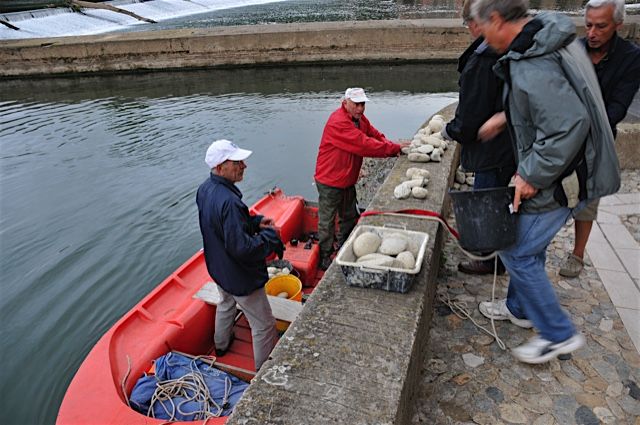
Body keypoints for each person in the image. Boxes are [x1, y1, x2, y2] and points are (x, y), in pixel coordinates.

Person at [471, 0, 621, 363]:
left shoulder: (531, 61)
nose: (482, 37)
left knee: (516, 251)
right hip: (572, 168)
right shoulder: (545, 37)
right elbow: (554, 102)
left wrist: (530, 175)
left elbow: (567, 125)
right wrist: (507, 116)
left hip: (563, 177)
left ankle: (558, 334)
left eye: (481, 27)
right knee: (528, 243)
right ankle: (521, 310)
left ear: (495, 19)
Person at [559, 0, 640, 278]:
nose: (592, 32)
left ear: (618, 25)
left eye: (601, 26)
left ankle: (578, 254)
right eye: (589, 25)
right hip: (565, 138)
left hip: (600, 139)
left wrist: (580, 119)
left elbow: (617, 107)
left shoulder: (631, 57)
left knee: (589, 196)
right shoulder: (573, 49)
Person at [442, 0, 516, 276]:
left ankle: (489, 260)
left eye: (468, 24)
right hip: (504, 147)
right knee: (493, 198)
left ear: (478, 22)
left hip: (492, 150)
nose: (469, 29)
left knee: (487, 200)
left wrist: (451, 131)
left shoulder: (485, 58)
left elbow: (472, 113)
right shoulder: (498, 51)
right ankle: (494, 255)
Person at [196, 139, 283, 370]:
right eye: (236, 162)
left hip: (218, 268)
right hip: (239, 276)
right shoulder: (230, 202)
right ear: (220, 167)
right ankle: (264, 375)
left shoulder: (205, 189)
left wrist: (254, 222)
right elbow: (242, 248)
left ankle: (221, 345)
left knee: (225, 303)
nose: (244, 166)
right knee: (263, 325)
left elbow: (220, 226)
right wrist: (270, 238)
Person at [314, 88, 410, 270]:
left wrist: (387, 143)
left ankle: (345, 247)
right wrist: (393, 149)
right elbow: (363, 144)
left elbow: (373, 133)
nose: (360, 108)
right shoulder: (338, 122)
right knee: (326, 221)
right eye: (356, 104)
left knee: (349, 216)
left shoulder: (358, 119)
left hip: (347, 180)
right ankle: (324, 257)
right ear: (345, 103)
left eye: (363, 104)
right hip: (329, 180)